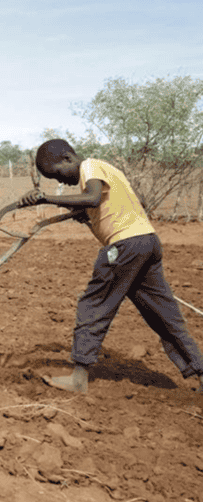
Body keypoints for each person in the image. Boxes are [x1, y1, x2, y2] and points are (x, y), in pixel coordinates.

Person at [17, 138, 203, 393]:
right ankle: (200, 371)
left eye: (58, 174)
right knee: (163, 314)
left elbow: (92, 198)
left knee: (94, 304)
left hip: (125, 246)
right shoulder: (108, 171)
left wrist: (46, 198)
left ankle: (79, 376)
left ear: (68, 158)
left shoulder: (90, 166)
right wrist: (84, 215)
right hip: (146, 242)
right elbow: (102, 205)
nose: (61, 182)